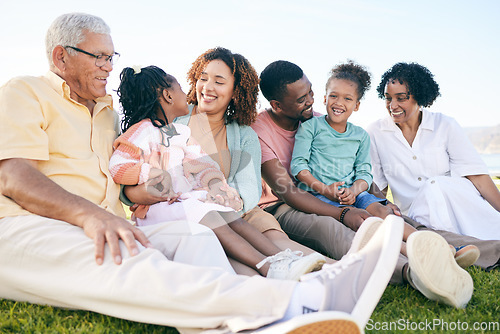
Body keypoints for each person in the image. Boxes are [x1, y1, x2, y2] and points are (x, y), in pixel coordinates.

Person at [0, 13, 404, 334]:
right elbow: (14, 177)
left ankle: (243, 323)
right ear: (61, 57)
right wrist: (98, 213)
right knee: (137, 264)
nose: (108, 66)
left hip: (148, 217)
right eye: (99, 57)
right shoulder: (26, 91)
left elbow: (147, 178)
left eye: (111, 56)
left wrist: (193, 187)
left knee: (198, 239)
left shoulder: (107, 112)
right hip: (30, 224)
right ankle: (296, 301)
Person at [251, 60, 500, 308]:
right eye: (302, 98)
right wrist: (344, 212)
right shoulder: (261, 131)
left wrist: (378, 201)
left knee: (396, 220)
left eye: (312, 92)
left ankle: (467, 251)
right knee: (335, 230)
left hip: (339, 196)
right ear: (277, 105)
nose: (311, 101)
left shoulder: (319, 119)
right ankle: (413, 270)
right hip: (286, 206)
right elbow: (289, 192)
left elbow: (356, 168)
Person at [123, 47, 338, 273]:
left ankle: (335, 271)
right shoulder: (169, 118)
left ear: (236, 91)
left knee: (277, 243)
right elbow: (132, 175)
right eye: (203, 78)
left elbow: (249, 190)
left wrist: (220, 199)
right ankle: (280, 278)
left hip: (240, 212)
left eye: (219, 81)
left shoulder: (245, 135)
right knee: (242, 263)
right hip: (186, 211)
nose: (207, 87)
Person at [289, 61, 454, 258]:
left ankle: (435, 246)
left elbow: (365, 174)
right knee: (366, 221)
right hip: (319, 195)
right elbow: (298, 167)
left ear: (356, 105)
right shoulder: (310, 127)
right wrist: (325, 189)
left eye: (347, 98)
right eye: (333, 96)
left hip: (353, 194)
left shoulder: (360, 136)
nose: (339, 103)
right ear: (324, 98)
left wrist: (354, 191)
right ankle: (415, 254)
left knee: (383, 212)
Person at [367, 62, 500, 241]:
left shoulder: (445, 125)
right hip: (418, 217)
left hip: (456, 207)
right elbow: (379, 187)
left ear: (419, 97)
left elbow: (477, 176)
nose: (393, 105)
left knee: (435, 185)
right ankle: (451, 244)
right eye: (388, 98)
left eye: (401, 98)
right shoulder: (375, 132)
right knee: (432, 190)